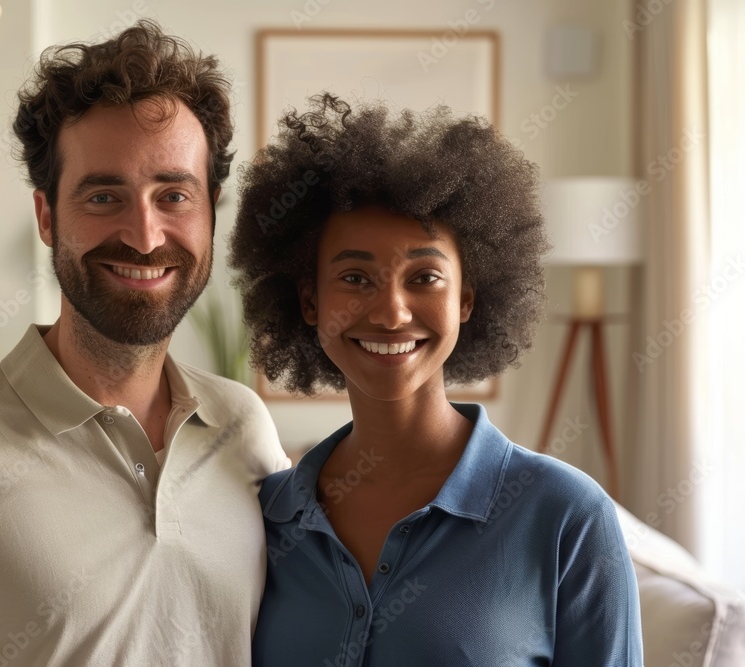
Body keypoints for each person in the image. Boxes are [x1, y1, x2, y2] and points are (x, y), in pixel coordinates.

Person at [0, 21, 290, 666]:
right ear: (47, 217)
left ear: (210, 210)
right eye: (104, 196)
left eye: (174, 195)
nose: (146, 235)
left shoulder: (245, 428)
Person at [229, 94, 643, 666]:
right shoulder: (267, 517)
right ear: (309, 302)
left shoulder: (564, 516)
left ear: (466, 300)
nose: (392, 312)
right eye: (355, 277)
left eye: (424, 276)